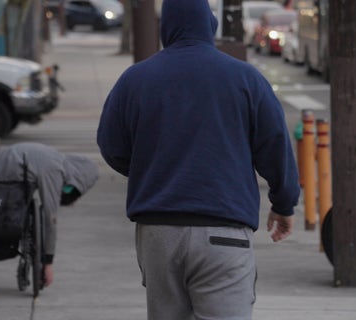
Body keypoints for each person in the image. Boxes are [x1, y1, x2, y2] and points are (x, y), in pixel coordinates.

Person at [96, 0, 300, 318]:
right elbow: (275, 145)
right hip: (224, 229)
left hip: (158, 232)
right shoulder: (246, 78)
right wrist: (284, 203)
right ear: (210, 25)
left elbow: (111, 146)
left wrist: (151, 169)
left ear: (166, 28)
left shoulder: (135, 79)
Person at [0, 142, 99, 288]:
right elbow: (50, 219)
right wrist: (48, 262)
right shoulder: (54, 170)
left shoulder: (52, 157)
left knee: (3, 222)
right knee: (9, 228)